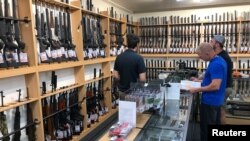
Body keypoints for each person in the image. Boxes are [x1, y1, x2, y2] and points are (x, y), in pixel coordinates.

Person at [189, 42, 227, 141]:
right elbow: (211, 80)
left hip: (211, 103)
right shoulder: (216, 60)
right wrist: (199, 81)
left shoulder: (217, 64)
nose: (200, 58)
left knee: (206, 130)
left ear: (207, 53)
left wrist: (197, 89)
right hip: (214, 102)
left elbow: (215, 85)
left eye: (200, 56)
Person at [210, 35, 233, 124]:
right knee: (219, 111)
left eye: (212, 41)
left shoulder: (222, 57)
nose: (210, 43)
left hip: (224, 88)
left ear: (217, 44)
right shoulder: (220, 55)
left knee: (220, 112)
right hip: (224, 87)